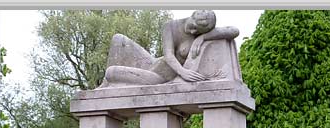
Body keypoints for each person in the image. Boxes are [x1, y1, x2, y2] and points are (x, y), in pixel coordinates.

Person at [100, 10, 239, 87]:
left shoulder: (201, 34)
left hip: (159, 77)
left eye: (197, 31)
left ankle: (108, 82)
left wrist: (203, 37)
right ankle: (104, 86)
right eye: (193, 26)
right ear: (192, 16)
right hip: (153, 65)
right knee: (118, 39)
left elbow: (234, 30)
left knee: (111, 72)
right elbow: (168, 55)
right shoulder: (170, 26)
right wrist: (183, 72)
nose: (193, 32)